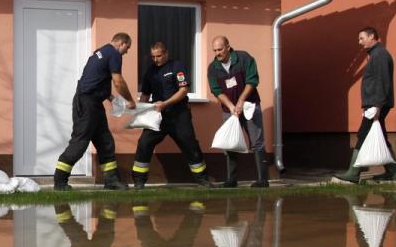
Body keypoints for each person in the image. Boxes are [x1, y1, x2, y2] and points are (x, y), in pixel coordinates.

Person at [54, 33, 138, 191]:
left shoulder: (100, 53)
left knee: (105, 142)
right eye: (127, 47)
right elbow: (118, 82)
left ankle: (111, 181)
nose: (127, 51)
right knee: (80, 142)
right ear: (122, 43)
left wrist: (112, 98)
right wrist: (130, 100)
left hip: (92, 102)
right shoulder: (114, 54)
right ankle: (60, 181)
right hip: (87, 104)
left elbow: (95, 80)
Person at [130, 42, 211, 189]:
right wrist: (140, 112)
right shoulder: (150, 71)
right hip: (158, 117)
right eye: (153, 57)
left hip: (179, 114)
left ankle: (202, 179)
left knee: (189, 144)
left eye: (159, 56)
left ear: (166, 53)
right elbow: (145, 95)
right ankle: (138, 181)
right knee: (144, 143)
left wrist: (165, 104)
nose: (156, 59)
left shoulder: (177, 67)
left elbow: (183, 90)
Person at [335, 27, 396, 183]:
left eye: (361, 38)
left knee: (363, 134)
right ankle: (393, 171)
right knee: (380, 136)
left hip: (376, 105)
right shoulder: (376, 54)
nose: (359, 42)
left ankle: (353, 172)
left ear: (372, 37)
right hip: (376, 104)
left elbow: (382, 81)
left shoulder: (380, 55)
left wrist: (377, 105)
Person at [207, 36, 268, 188]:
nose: (217, 53)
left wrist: (241, 101)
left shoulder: (244, 58)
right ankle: (231, 180)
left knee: (257, 141)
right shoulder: (213, 68)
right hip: (230, 110)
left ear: (228, 47)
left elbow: (252, 80)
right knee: (230, 143)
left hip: (249, 106)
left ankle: (262, 180)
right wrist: (230, 106)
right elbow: (216, 90)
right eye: (214, 50)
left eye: (220, 49)